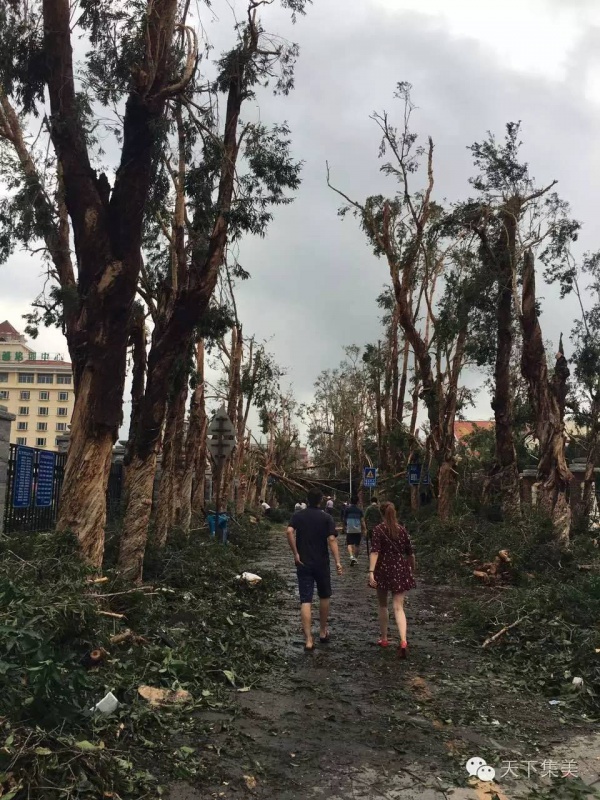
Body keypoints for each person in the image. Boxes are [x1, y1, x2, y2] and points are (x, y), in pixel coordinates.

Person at [287, 488, 343, 651]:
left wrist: (296, 553)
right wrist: (338, 562)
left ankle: (309, 640)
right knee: (324, 596)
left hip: (303, 562)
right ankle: (323, 631)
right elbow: (332, 539)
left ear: (307, 499)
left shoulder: (298, 516)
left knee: (306, 600)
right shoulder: (326, 517)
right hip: (322, 563)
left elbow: (289, 531)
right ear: (321, 501)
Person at [368, 501, 416, 657]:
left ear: (382, 513)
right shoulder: (402, 530)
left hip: (383, 569)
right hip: (399, 569)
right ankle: (403, 641)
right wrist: (411, 568)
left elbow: (375, 552)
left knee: (383, 605)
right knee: (399, 607)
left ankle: (384, 638)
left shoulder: (378, 530)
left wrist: (371, 571)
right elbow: (410, 553)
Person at [344, 495, 366, 566]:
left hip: (349, 529)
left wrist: (344, 527)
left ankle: (351, 556)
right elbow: (362, 521)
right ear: (357, 502)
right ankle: (355, 558)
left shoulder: (347, 509)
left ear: (350, 501)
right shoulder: (359, 510)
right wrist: (365, 529)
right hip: (357, 530)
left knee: (349, 544)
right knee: (357, 545)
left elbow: (344, 519)